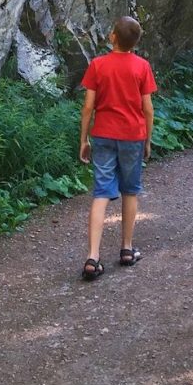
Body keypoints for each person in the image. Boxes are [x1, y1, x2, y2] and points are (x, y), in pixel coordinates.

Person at [78, 15, 156, 281]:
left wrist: (83, 139)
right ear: (134, 43)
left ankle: (93, 257)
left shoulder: (98, 65)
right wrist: (147, 140)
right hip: (132, 136)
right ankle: (126, 249)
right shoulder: (142, 67)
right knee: (130, 191)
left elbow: (88, 106)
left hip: (102, 135)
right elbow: (147, 109)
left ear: (113, 37)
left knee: (101, 193)